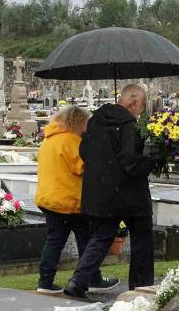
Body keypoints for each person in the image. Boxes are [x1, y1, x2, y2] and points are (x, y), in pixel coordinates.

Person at [64, 84, 156, 298]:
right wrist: (154, 161)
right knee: (142, 236)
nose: (141, 110)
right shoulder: (129, 126)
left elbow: (84, 152)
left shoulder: (95, 122)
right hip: (129, 195)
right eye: (141, 105)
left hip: (99, 193)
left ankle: (77, 281)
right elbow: (131, 163)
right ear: (133, 102)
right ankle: (140, 288)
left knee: (101, 237)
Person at [34, 106, 118, 294]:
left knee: (54, 241)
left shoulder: (49, 139)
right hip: (69, 201)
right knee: (87, 240)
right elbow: (83, 167)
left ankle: (45, 282)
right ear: (78, 122)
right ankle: (92, 277)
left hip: (49, 199)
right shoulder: (71, 140)